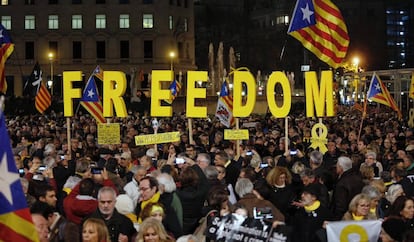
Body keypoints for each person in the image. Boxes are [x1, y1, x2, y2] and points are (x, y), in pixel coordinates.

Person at [330, 156, 364, 220]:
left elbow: (340, 206)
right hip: (357, 214)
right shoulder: (358, 178)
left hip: (345, 218)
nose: (336, 167)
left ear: (341, 168)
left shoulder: (341, 184)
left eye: (337, 166)